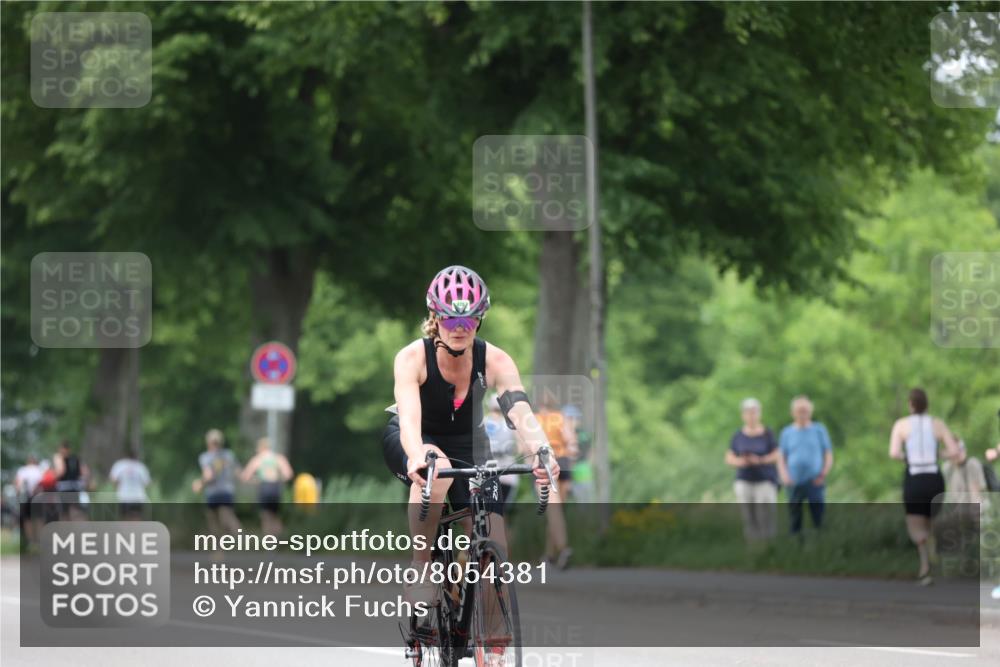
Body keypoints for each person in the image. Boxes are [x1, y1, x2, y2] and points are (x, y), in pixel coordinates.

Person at [381, 265, 559, 640]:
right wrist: (416, 455)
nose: (459, 327)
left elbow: (519, 411)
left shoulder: (495, 360)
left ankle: (492, 637)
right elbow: (411, 419)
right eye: (450, 317)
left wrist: (542, 450)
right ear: (435, 317)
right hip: (414, 436)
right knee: (436, 468)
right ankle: (421, 568)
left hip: (469, 443)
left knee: (493, 531)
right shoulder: (412, 358)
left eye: (469, 318)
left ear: (480, 318)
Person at [889, 388, 962, 585]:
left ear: (910, 404)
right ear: (927, 404)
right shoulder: (937, 424)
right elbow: (954, 451)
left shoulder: (901, 425)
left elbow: (894, 453)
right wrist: (936, 455)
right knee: (933, 518)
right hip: (933, 477)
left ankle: (924, 565)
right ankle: (934, 549)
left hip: (914, 477)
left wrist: (910, 457)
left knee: (915, 523)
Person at [777, 396, 834, 536]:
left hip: (815, 480)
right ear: (793, 412)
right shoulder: (787, 432)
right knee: (795, 517)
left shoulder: (819, 430)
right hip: (793, 481)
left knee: (818, 516)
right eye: (799, 410)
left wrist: (823, 473)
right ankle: (796, 547)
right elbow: (781, 457)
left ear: (811, 412)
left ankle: (821, 544)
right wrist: (784, 475)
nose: (802, 413)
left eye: (805, 410)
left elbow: (828, 454)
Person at [725, 398, 780, 542]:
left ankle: (769, 546)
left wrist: (760, 460)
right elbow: (729, 457)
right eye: (748, 412)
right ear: (743, 415)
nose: (751, 415)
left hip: (764, 479)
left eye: (754, 412)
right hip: (744, 480)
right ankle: (753, 548)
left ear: (759, 414)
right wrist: (741, 462)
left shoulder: (768, 434)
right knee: (748, 517)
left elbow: (777, 455)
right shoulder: (738, 436)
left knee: (765, 515)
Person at [535, 395, 576, 568]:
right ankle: (550, 554)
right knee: (557, 509)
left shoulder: (534, 420)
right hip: (563, 462)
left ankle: (563, 548)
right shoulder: (560, 418)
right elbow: (571, 441)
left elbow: (523, 447)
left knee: (553, 509)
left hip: (545, 463)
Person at [194, 429, 242, 538]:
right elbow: (238, 473)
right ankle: (245, 541)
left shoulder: (205, 457)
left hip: (213, 492)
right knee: (229, 518)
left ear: (208, 442)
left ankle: (218, 551)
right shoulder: (229, 455)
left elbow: (208, 476)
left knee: (214, 522)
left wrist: (200, 483)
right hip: (227, 491)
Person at [240, 437, 293, 535]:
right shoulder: (278, 458)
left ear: (261, 448)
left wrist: (255, 480)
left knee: (265, 517)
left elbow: (244, 477)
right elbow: (288, 474)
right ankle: (282, 539)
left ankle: (269, 544)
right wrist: (277, 478)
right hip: (276, 488)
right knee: (274, 515)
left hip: (264, 488)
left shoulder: (258, 459)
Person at [484, 394, 520, 511]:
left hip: (486, 472)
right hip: (507, 473)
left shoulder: (483, 422)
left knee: (488, 513)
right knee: (499, 512)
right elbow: (520, 448)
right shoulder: (510, 424)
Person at [109, 448, 151, 519]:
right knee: (136, 516)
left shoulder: (120, 465)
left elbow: (113, 479)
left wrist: (118, 487)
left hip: (124, 496)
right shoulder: (140, 466)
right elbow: (147, 483)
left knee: (125, 517)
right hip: (138, 497)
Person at [52, 441, 89, 520]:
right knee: (77, 509)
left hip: (64, 487)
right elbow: (85, 472)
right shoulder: (76, 458)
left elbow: (61, 471)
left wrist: (53, 476)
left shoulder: (59, 458)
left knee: (65, 512)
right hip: (76, 487)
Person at [14, 455, 43, 545]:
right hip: (38, 496)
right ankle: (39, 540)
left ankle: (30, 541)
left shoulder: (22, 470)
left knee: (27, 519)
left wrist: (18, 495)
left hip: (26, 497)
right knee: (39, 519)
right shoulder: (39, 470)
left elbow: (18, 485)